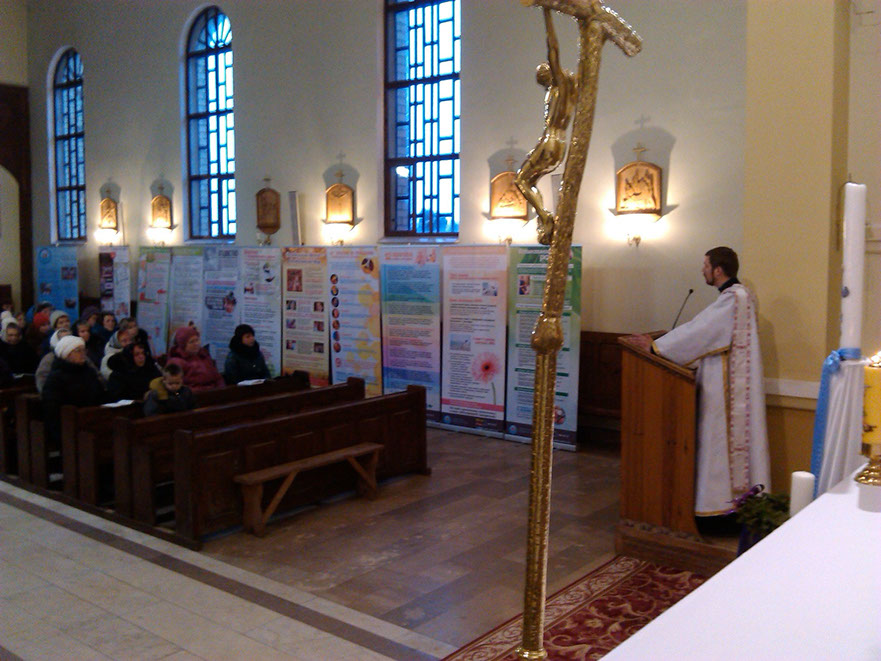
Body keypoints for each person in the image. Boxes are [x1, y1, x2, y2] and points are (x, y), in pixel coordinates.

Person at [626, 246, 771, 517]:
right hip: (727, 382)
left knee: (719, 446)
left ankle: (720, 507)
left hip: (727, 390)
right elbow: (703, 331)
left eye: (705, 265)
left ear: (718, 269)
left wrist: (656, 347)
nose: (702, 270)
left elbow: (699, 332)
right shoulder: (739, 296)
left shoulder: (733, 298)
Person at [514, 8, 576, 246]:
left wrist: (547, 13)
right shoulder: (565, 91)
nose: (540, 75)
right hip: (559, 144)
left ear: (552, 71)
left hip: (550, 140)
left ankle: (545, 216)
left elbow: (553, 48)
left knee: (521, 180)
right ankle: (545, 218)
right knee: (527, 181)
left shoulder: (560, 85)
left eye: (543, 71)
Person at [41, 335, 107, 448]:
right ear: (66, 354)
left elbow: (100, 395)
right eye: (78, 351)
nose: (83, 354)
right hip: (70, 428)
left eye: (84, 350)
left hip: (93, 422)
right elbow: (52, 410)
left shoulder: (88, 372)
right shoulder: (56, 378)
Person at [166, 326, 225, 391]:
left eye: (197, 340)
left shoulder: (204, 355)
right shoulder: (176, 362)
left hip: (214, 393)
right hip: (195, 395)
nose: (196, 344)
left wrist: (221, 389)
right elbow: (177, 387)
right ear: (183, 345)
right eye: (191, 342)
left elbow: (217, 377)